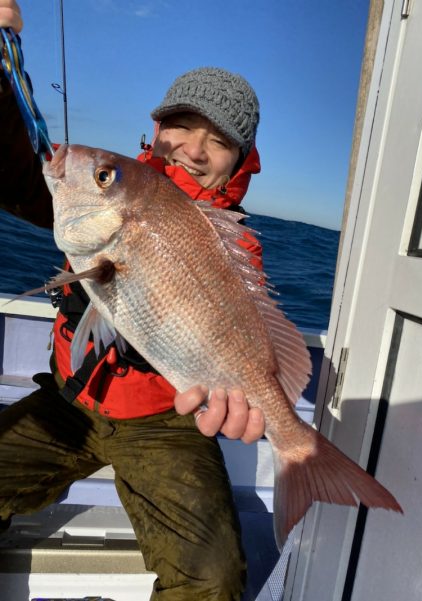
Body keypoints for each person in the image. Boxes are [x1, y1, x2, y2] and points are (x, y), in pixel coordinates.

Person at [0, 1, 266, 599]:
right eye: (182, 126)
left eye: (218, 141)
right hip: (70, 401)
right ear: (155, 126)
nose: (193, 150)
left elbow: (225, 337)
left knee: (216, 579)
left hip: (164, 425)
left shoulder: (237, 248)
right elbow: (13, 166)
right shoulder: (100, 190)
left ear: (240, 161)